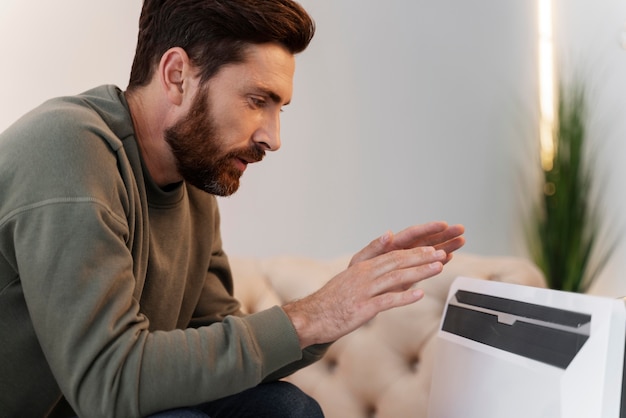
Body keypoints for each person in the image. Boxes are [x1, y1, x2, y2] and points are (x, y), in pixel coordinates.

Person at [0, 0, 465, 417]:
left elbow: (221, 345)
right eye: (257, 101)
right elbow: (110, 381)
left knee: (285, 408)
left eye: (280, 108)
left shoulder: (193, 184)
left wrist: (339, 308)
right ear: (177, 75)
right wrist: (310, 315)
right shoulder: (67, 148)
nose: (273, 137)